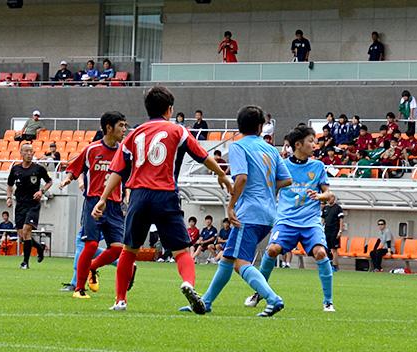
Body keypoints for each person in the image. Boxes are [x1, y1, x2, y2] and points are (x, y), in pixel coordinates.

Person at [92, 86, 233, 313]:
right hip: (165, 194)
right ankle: (188, 283)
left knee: (129, 250)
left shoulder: (133, 135)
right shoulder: (178, 131)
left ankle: (120, 300)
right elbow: (203, 156)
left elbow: (117, 170)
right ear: (169, 109)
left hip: (138, 195)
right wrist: (222, 175)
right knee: (181, 252)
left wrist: (103, 198)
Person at [185, 105, 291, 317]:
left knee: (240, 263)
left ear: (239, 125)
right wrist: (267, 189)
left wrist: (231, 205)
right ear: (261, 127)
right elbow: (286, 179)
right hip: (268, 213)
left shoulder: (238, 147)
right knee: (227, 259)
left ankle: (272, 298)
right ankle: (205, 302)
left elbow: (241, 178)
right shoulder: (270, 149)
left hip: (248, 212)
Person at [244, 125, 335, 311]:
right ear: (298, 144)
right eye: (311, 141)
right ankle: (260, 292)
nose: (314, 144)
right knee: (272, 250)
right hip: (285, 221)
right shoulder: (282, 165)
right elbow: (271, 188)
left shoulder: (318, 166)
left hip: (310, 222)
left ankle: (328, 301)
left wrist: (320, 197)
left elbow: (329, 194)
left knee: (321, 253)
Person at [59, 111, 128, 298]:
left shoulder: (125, 152)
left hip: (114, 205)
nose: (124, 129)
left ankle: (91, 268)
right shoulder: (92, 150)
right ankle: (79, 289)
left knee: (117, 249)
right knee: (90, 245)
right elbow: (76, 167)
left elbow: (129, 177)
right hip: (93, 203)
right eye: (121, 125)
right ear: (108, 128)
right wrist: (68, 178)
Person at [6, 143, 52, 269]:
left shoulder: (38, 169)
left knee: (27, 230)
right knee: (22, 235)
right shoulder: (15, 169)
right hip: (20, 204)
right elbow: (9, 185)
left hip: (33, 204)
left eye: (31, 151)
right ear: (21, 153)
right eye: (26, 151)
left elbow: (49, 181)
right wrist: (9, 198)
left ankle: (25, 262)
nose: (29, 154)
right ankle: (39, 248)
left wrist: (41, 191)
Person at [322, 193, 344, 272]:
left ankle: (335, 266)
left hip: (334, 231)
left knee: (334, 249)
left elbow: (341, 220)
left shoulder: (338, 208)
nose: (328, 199)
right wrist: (321, 228)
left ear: (334, 198)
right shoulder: (325, 208)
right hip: (326, 231)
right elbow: (323, 219)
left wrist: (340, 231)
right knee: (326, 249)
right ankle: (329, 265)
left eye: (330, 198)